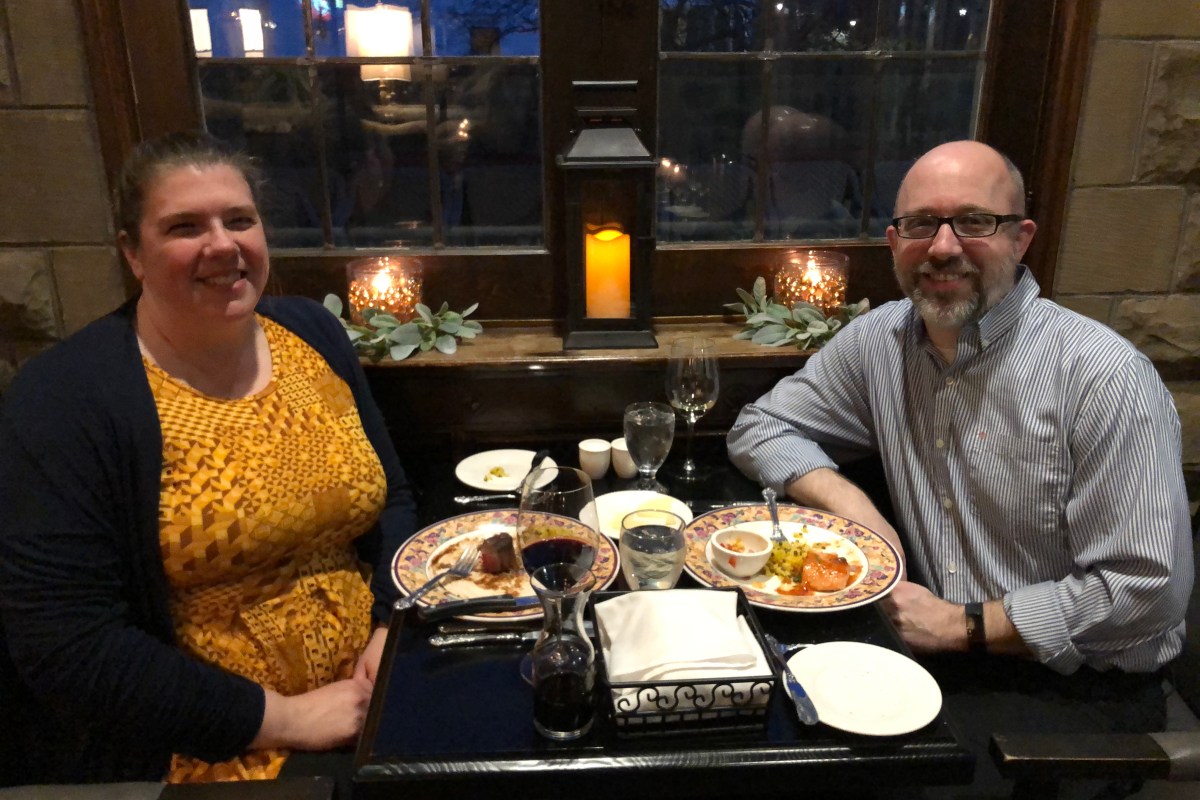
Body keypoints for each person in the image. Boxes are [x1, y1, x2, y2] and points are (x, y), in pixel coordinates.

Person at [728, 140, 1192, 798]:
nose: (943, 247)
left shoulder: (1103, 378)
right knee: (756, 734)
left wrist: (958, 625)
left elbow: (1146, 593)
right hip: (924, 652)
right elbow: (760, 427)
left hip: (1072, 692)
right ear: (894, 242)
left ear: (1021, 239)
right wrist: (859, 513)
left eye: (974, 221)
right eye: (921, 224)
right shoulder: (880, 342)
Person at [0, 131, 418, 785]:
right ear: (133, 254)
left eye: (239, 220)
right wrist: (284, 718)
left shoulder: (311, 331)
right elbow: (68, 645)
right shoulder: (64, 397)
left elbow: (392, 500)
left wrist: (389, 628)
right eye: (185, 227)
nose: (222, 245)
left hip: (372, 694)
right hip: (209, 745)